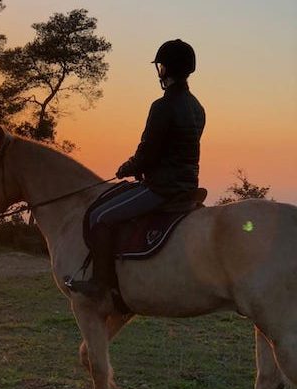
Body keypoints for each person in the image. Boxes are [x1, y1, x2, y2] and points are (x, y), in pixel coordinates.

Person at [70, 39, 206, 299]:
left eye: (161, 66)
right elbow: (175, 150)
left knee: (100, 217)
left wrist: (128, 167)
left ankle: (101, 282)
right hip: (187, 185)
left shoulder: (162, 106)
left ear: (165, 69)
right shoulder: (197, 108)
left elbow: (149, 150)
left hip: (162, 187)